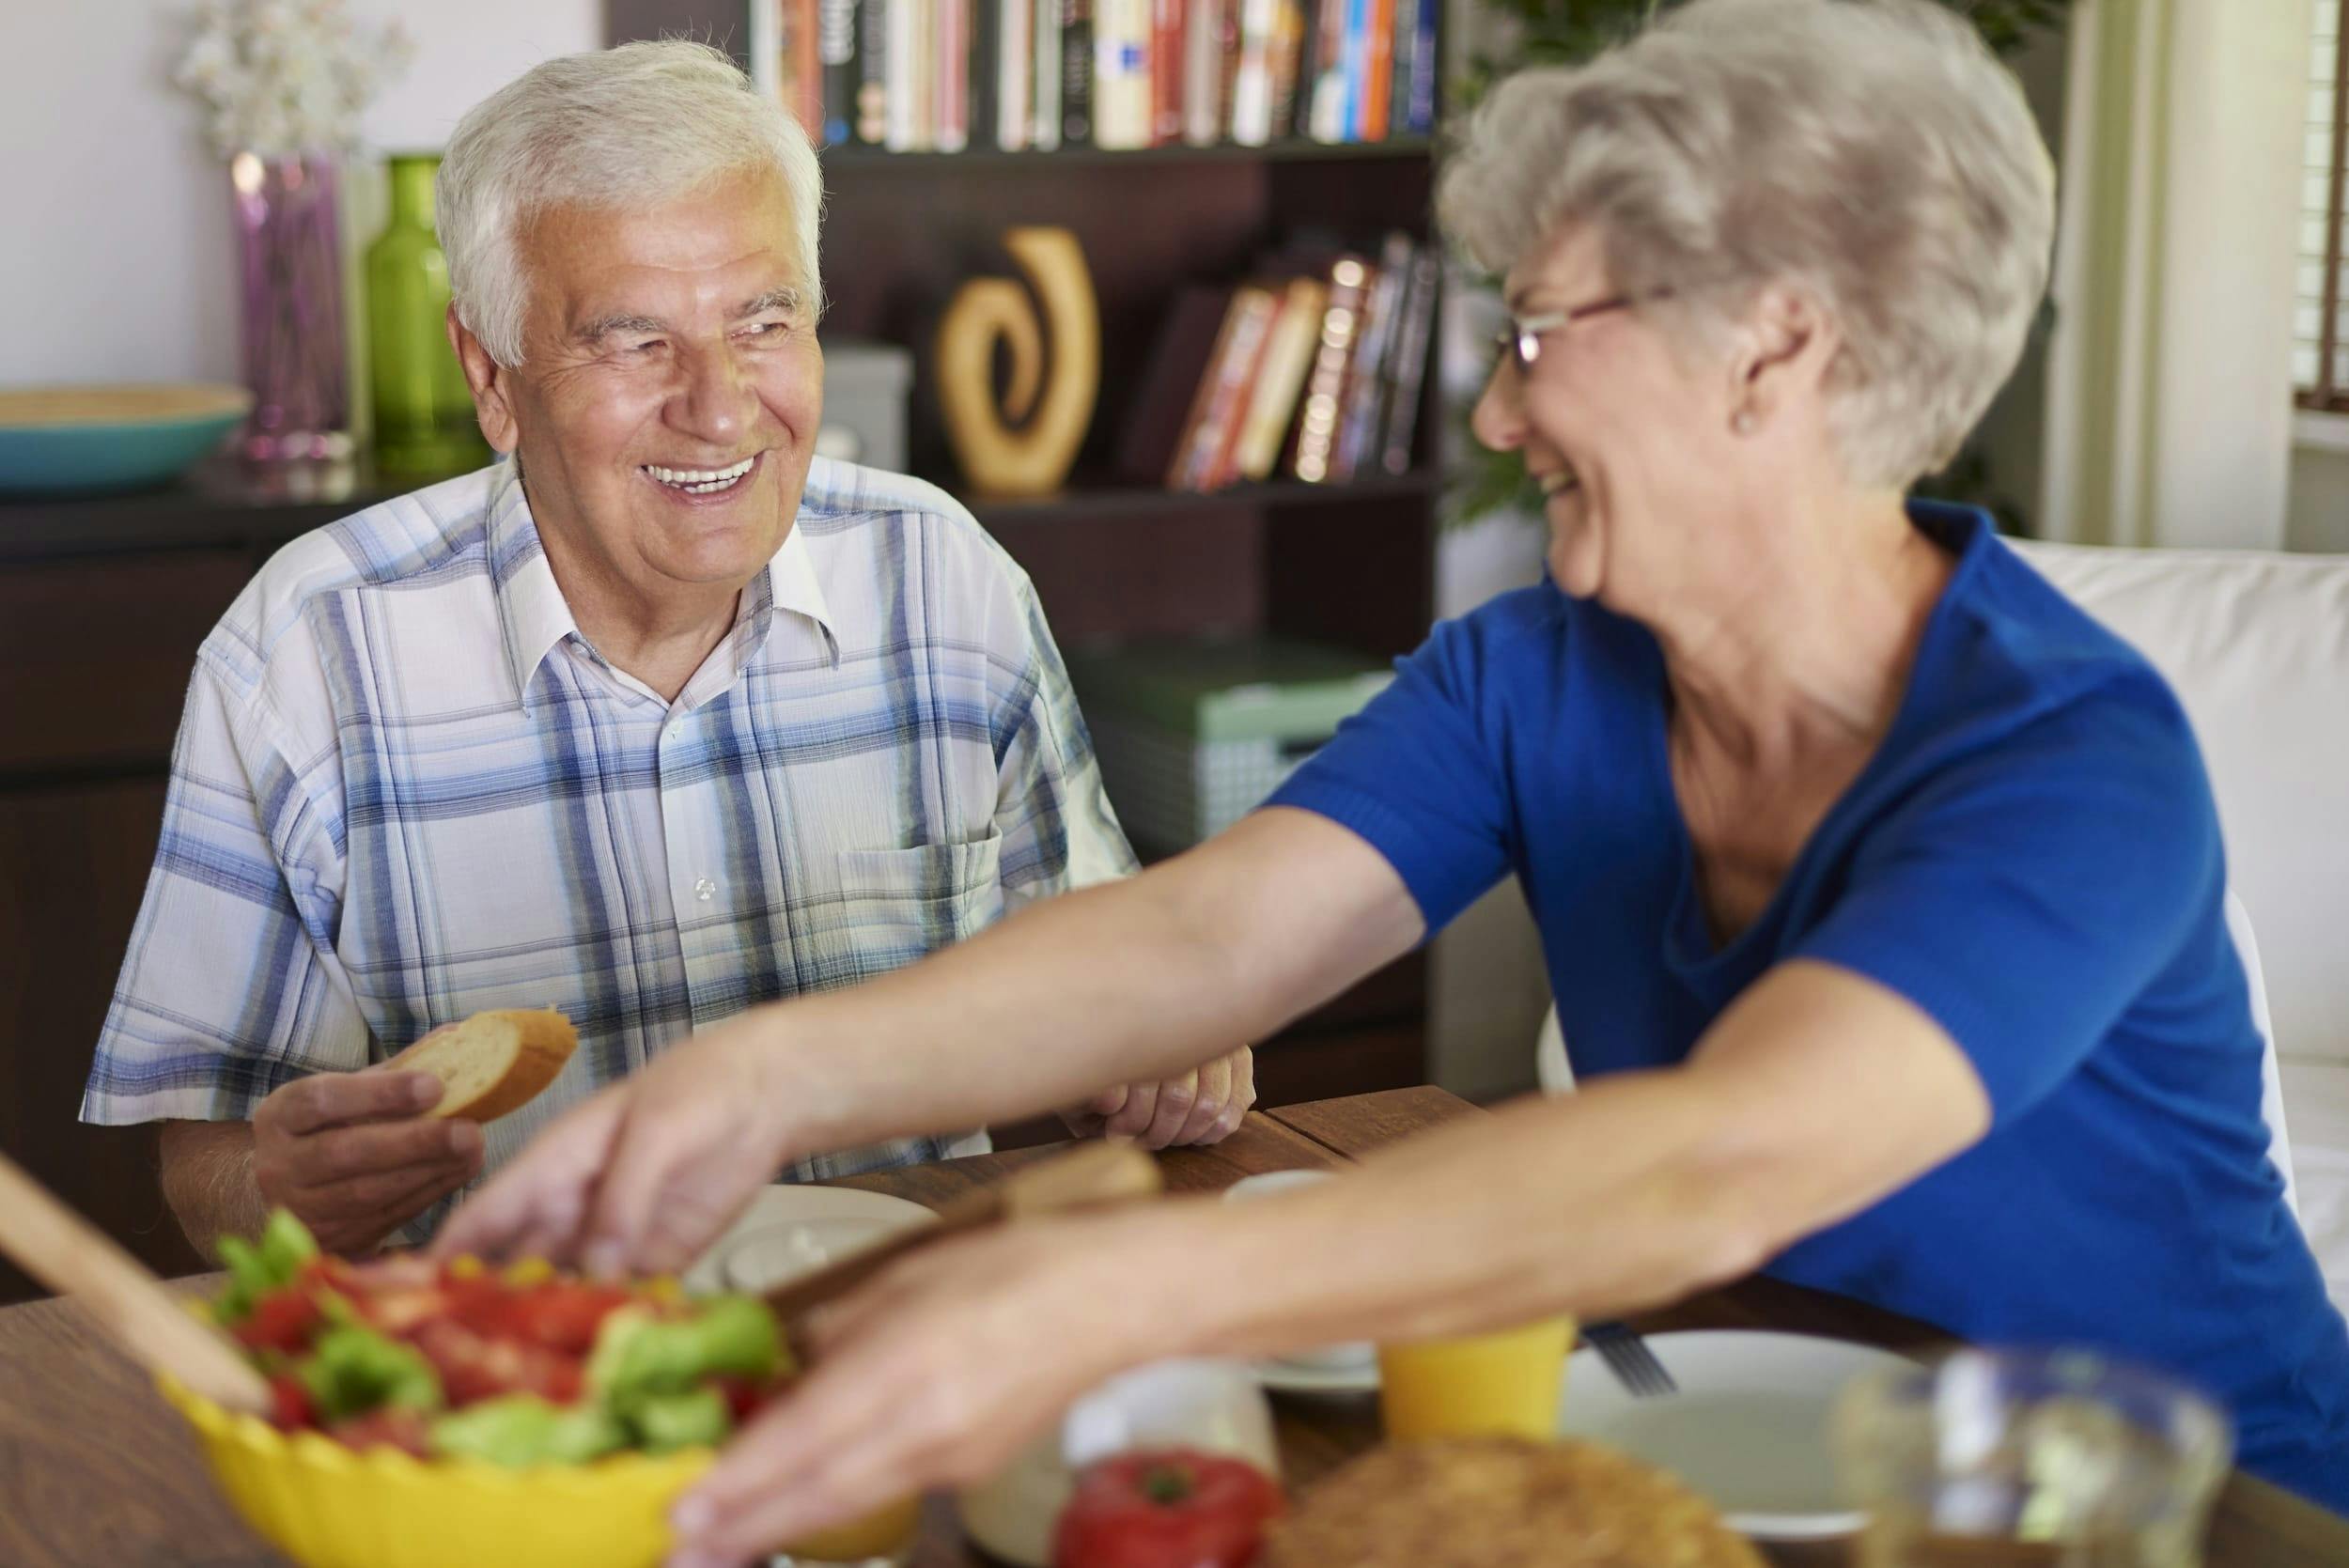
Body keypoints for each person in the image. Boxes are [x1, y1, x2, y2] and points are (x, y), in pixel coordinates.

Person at [446, 0, 2349, 1555]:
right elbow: (1201, 940)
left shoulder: (2064, 762)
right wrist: (763, 1073)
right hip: (1745, 1487)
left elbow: (1722, 1155)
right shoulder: (1539, 668)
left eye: (1535, 336)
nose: (1497, 410)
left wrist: (1108, 1295)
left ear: (1772, 348)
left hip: (2179, 1519)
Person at [78, 40, 1251, 1261]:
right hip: (520, 1385)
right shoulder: (305, 654)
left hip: (895, 1339)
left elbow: (1110, 986)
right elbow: (203, 1158)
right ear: (492, 374)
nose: (723, 406)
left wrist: (1164, 1043)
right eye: (635, 342)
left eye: (762, 321)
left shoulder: (945, 577)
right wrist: (283, 1190)